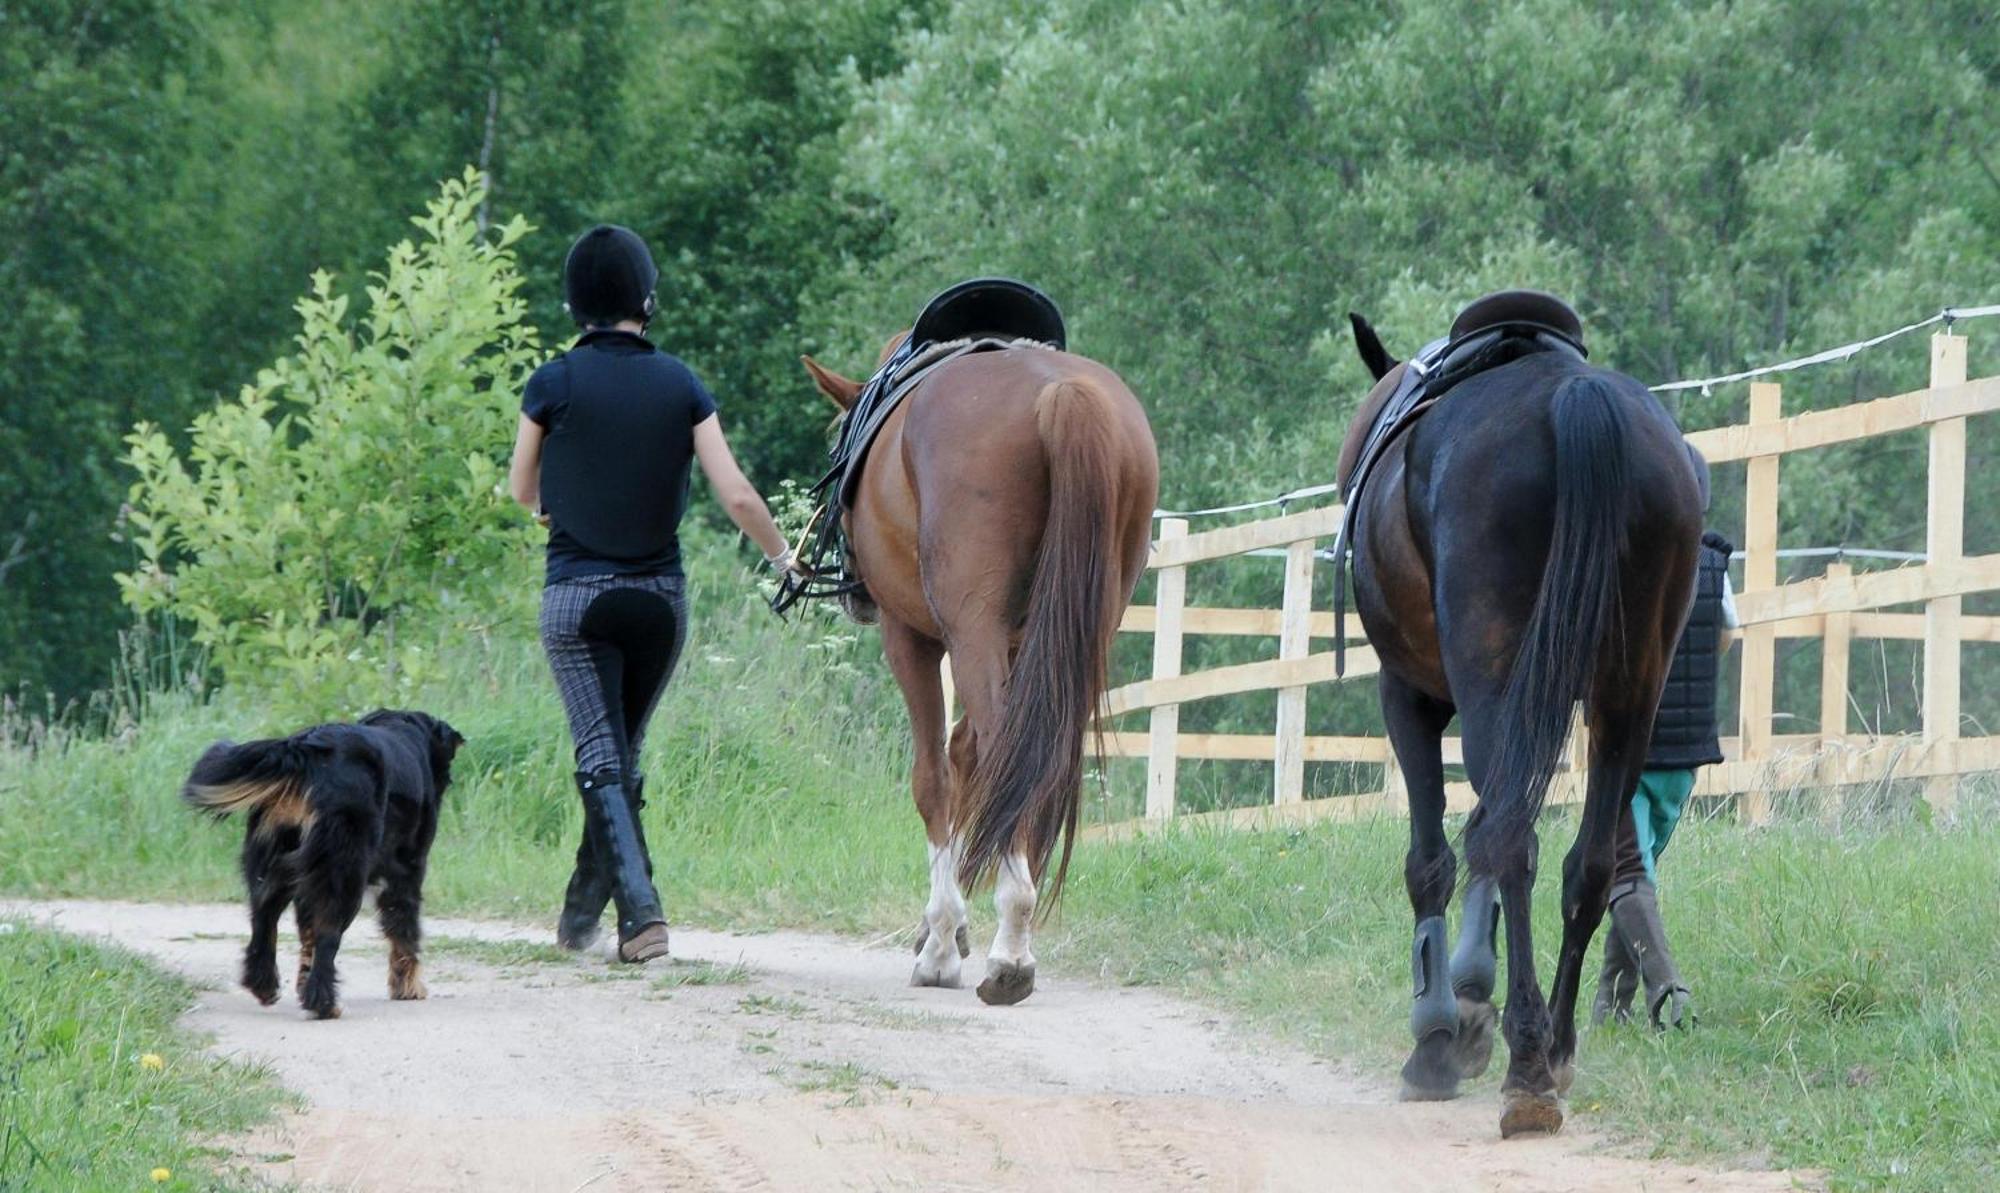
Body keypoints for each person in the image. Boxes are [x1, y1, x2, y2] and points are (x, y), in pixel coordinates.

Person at [509, 224, 805, 962]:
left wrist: (554, 505)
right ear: (647, 300)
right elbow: (735, 494)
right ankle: (581, 916)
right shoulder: (682, 383)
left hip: (577, 599)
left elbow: (521, 489)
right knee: (620, 755)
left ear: (576, 304)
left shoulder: (551, 382)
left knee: (602, 757)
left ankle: (642, 916)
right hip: (659, 602)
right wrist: (783, 558)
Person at [1594, 528, 1739, 1029]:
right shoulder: (1714, 565)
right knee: (1641, 875)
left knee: (1629, 875)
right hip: (1688, 750)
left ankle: (1669, 992)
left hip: (1631, 745)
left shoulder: (1611, 550)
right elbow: (1725, 637)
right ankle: (1611, 1007)